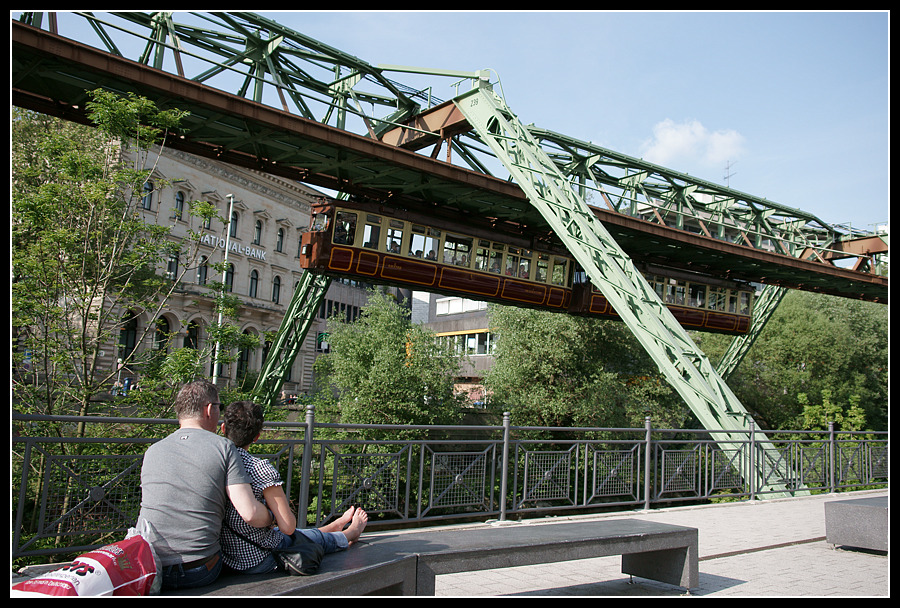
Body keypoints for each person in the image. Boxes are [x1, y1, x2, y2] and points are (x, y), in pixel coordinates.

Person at [136, 380, 274, 590]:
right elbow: (250, 514)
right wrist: (272, 516)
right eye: (220, 407)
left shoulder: (153, 450)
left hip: (150, 567)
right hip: (198, 570)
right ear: (209, 409)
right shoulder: (224, 447)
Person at [219, 401, 368, 575]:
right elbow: (288, 526)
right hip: (259, 558)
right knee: (298, 537)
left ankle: (335, 525)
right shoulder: (259, 469)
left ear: (223, 428)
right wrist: (272, 516)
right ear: (257, 437)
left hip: (225, 557)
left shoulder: (213, 463)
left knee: (297, 534)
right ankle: (350, 533)